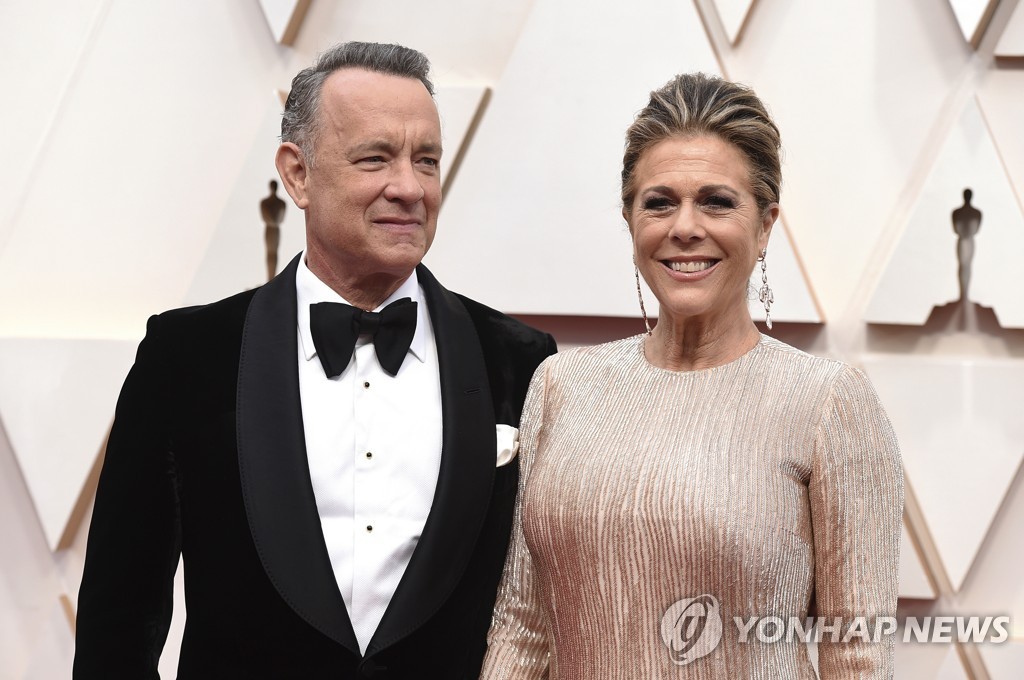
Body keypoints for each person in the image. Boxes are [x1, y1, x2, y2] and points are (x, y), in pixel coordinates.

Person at [73, 42, 556, 679]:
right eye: (375, 158)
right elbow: (117, 623)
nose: (409, 188)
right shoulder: (184, 357)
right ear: (297, 174)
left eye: (427, 160)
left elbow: (545, 614)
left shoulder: (521, 361)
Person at [481, 73, 903, 678]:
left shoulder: (827, 402)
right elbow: (522, 629)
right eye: (659, 202)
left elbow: (857, 653)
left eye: (716, 201)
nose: (684, 226)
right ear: (630, 221)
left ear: (765, 225)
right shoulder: (560, 387)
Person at [951, 187, 982, 302]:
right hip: (964, 240)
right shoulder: (958, 212)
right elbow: (956, 229)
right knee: (963, 265)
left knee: (966, 266)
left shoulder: (975, 213)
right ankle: (963, 295)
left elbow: (975, 229)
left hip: (967, 240)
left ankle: (965, 295)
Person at [261, 179, 286, 281]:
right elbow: (267, 218)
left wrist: (273, 222)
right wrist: (274, 222)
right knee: (270, 253)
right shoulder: (265, 203)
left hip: (275, 230)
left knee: (274, 253)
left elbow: (280, 219)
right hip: (270, 230)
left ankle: (272, 279)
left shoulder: (281, 203)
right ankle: (269, 279)